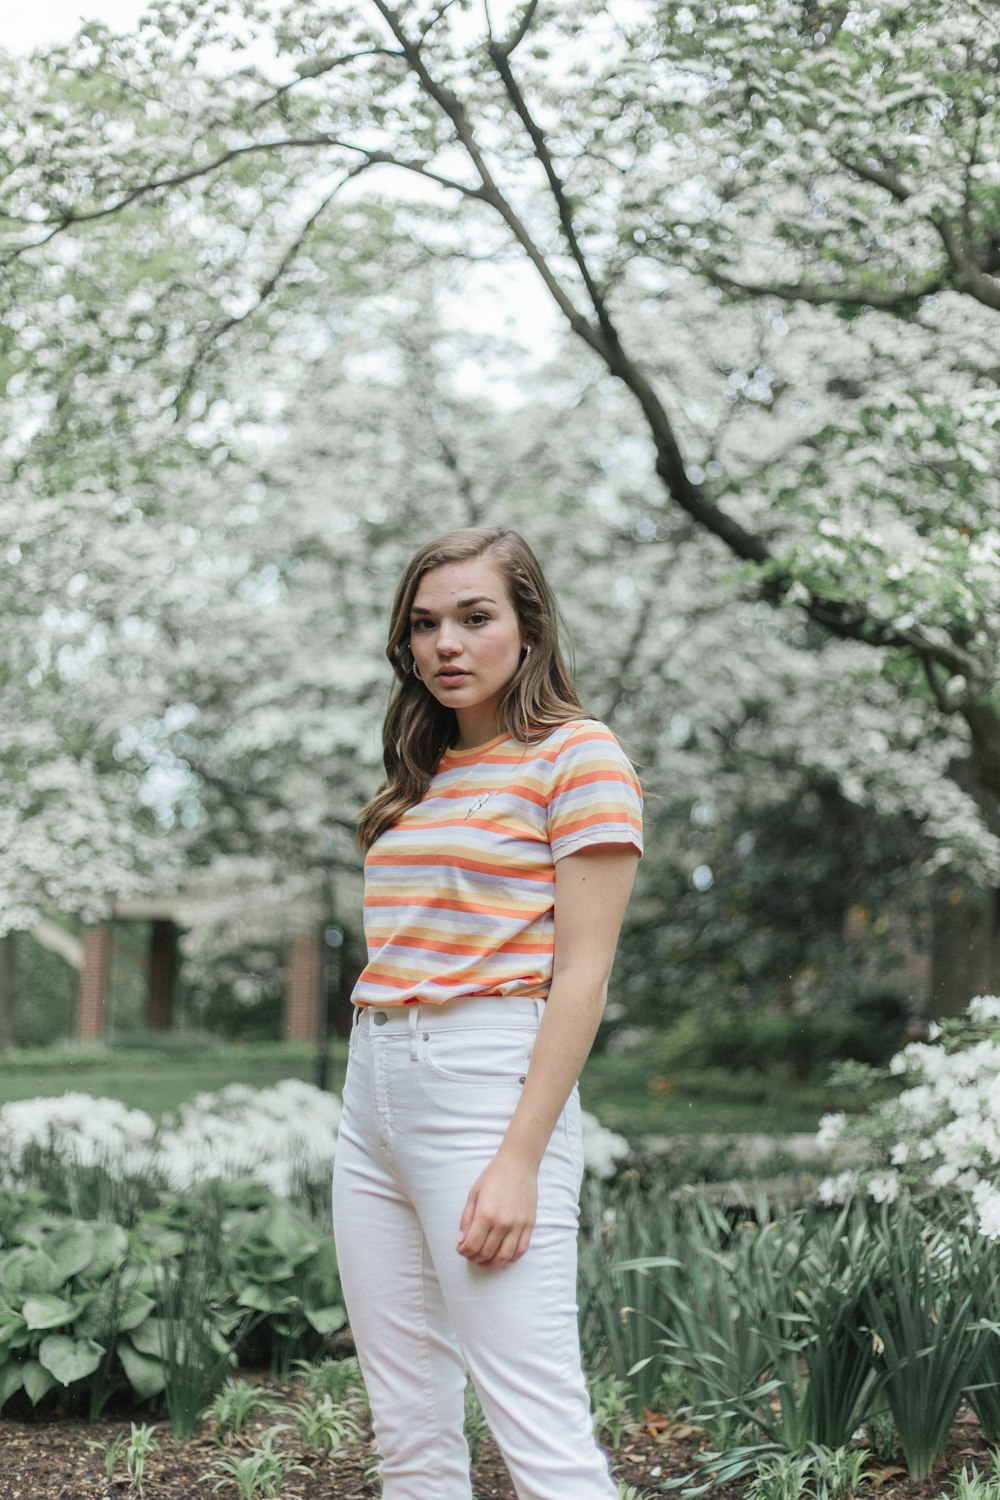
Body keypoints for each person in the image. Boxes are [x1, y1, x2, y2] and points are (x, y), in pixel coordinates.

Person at [332, 526, 642, 1500]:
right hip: (371, 1092)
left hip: (485, 1085)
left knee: (536, 1424)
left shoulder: (578, 757)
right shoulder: (416, 780)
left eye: (475, 618)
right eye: (425, 626)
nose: (445, 646)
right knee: (408, 1433)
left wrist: (518, 1159)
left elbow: (582, 977)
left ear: (528, 626)